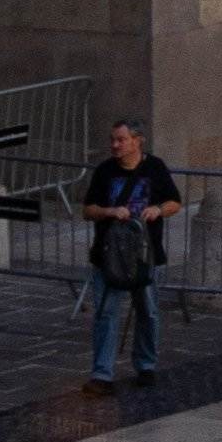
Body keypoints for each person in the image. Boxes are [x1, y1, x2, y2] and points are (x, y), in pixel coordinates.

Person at [76, 122, 184, 390]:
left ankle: (146, 365)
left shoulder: (155, 167)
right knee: (107, 313)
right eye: (113, 140)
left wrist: (158, 209)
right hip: (108, 255)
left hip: (145, 256)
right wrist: (110, 212)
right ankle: (102, 374)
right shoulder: (104, 171)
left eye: (121, 140)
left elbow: (175, 202)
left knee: (147, 312)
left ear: (138, 141)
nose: (115, 145)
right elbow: (88, 210)